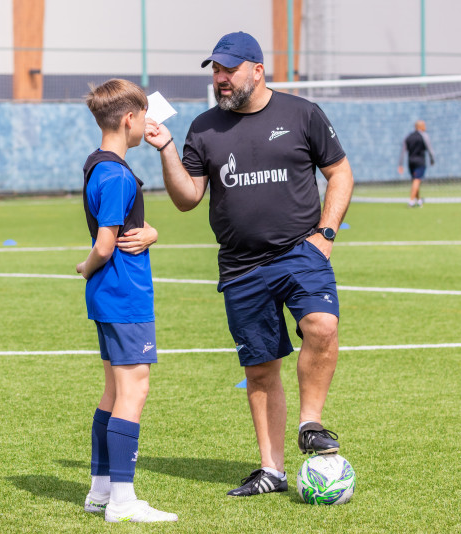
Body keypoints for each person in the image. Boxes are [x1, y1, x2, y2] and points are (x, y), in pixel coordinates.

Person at [144, 32, 354, 497]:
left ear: (257, 70)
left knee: (321, 326)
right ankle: (271, 471)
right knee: (260, 368)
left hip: (302, 251)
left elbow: (339, 173)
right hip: (241, 266)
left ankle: (311, 422)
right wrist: (166, 149)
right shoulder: (203, 128)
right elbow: (187, 199)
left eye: (229, 69)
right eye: (215, 71)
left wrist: (326, 233)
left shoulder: (301, 113)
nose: (220, 79)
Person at [77, 79, 177, 523]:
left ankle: (100, 491)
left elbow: (122, 225)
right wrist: (85, 265)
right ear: (129, 120)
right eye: (142, 117)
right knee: (134, 390)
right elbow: (104, 244)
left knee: (114, 391)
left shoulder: (99, 166)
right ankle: (122, 500)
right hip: (124, 295)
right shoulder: (115, 173)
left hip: (109, 297)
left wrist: (152, 231)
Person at [398, 120, 435, 207]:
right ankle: (411, 201)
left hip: (410, 162)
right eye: (424, 125)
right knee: (417, 180)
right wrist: (432, 159)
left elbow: (403, 152)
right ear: (420, 126)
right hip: (420, 161)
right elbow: (430, 149)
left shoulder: (408, 137)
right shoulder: (424, 136)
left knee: (415, 180)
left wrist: (400, 164)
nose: (425, 127)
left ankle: (418, 200)